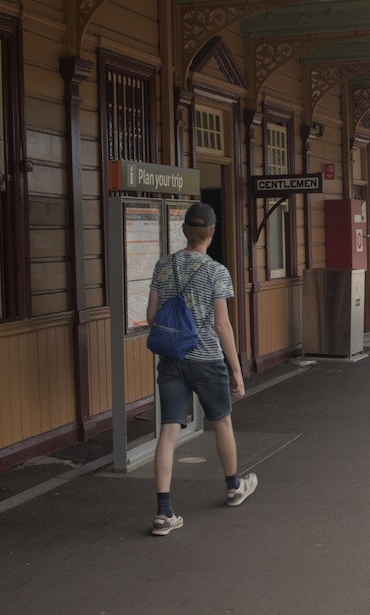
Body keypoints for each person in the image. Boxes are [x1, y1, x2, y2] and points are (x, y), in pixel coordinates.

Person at [145, 202, 257, 536]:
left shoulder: (163, 266)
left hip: (172, 360)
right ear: (211, 231)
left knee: (168, 432)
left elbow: (151, 316)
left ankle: (164, 513)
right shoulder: (216, 271)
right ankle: (233, 487)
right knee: (222, 422)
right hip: (207, 359)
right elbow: (222, 325)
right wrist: (235, 370)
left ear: (184, 231)